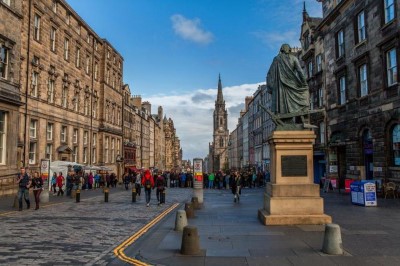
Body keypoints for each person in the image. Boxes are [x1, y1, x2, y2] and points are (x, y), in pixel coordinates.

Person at [267, 43, 309, 125]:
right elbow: (300, 71)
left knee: (281, 103)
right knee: (305, 92)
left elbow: (269, 73)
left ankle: (292, 117)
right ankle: (303, 112)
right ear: (289, 50)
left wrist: (271, 86)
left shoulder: (276, 59)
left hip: (280, 86)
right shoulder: (293, 58)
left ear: (281, 50)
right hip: (291, 85)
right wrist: (304, 84)